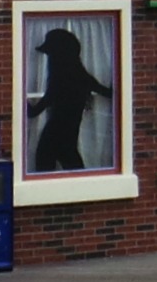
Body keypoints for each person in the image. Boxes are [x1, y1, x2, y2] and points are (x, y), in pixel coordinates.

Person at [28, 26, 112, 172]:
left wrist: (20, 101)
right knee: (73, 167)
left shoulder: (59, 79)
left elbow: (34, 111)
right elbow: (107, 92)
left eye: (51, 55)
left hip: (53, 134)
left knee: (46, 168)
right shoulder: (82, 76)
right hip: (70, 134)